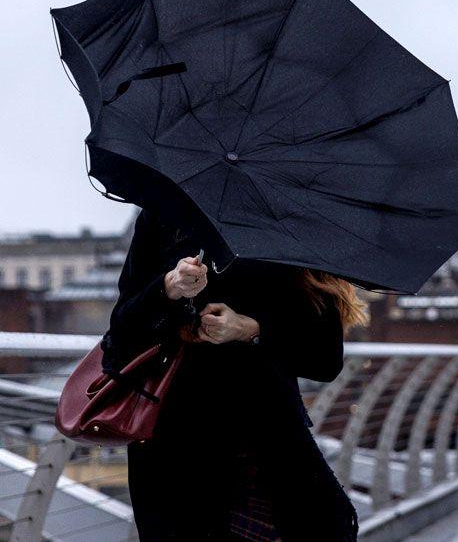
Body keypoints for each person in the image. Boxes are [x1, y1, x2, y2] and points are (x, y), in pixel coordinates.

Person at [101, 209, 366, 540]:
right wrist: (169, 287)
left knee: (326, 526)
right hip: (175, 446)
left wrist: (250, 329)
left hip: (264, 441)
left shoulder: (295, 225)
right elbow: (120, 339)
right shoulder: (164, 217)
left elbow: (325, 358)